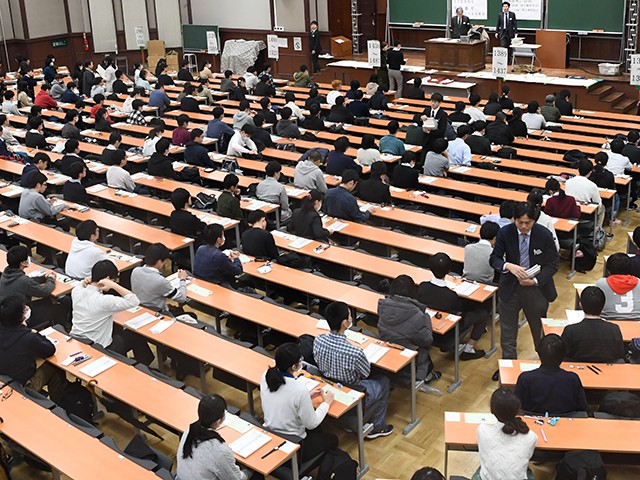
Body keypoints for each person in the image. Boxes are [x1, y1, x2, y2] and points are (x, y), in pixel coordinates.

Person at [489, 202, 559, 360]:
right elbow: (494, 259)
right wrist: (508, 266)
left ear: (534, 220)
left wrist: (535, 281)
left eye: (528, 223)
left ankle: (544, 363)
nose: (524, 226)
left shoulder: (544, 234)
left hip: (535, 289)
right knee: (507, 334)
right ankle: (509, 366)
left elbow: (553, 264)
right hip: (510, 287)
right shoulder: (505, 232)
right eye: (520, 222)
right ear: (513, 219)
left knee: (539, 331)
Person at [314, 301, 394, 439]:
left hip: (330, 385)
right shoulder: (355, 352)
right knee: (384, 381)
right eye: (350, 315)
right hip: (353, 389)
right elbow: (365, 373)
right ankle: (378, 426)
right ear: (345, 323)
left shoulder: (318, 340)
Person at [261, 342, 337, 460]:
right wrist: (326, 403)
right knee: (333, 439)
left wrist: (307, 397)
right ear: (294, 366)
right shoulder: (299, 389)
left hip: (270, 432)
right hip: (293, 442)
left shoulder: (266, 375)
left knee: (319, 431)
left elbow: (284, 398)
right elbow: (311, 424)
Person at [70, 260, 154, 364]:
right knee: (135, 335)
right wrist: (113, 285)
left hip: (78, 341)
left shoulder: (76, 291)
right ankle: (141, 365)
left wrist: (90, 279)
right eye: (114, 280)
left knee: (116, 327)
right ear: (108, 279)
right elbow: (134, 301)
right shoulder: (104, 301)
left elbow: (82, 283)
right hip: (100, 349)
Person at [418, 253, 488, 360]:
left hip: (428, 326)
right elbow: (461, 309)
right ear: (449, 270)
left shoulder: (423, 286)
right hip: (448, 332)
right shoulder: (450, 295)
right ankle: (469, 349)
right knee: (482, 314)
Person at [378, 275, 439, 393]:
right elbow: (427, 340)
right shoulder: (418, 314)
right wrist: (426, 318)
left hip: (387, 346)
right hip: (409, 354)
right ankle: (421, 378)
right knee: (424, 352)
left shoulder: (382, 304)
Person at [0, 296, 66, 403]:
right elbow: (50, 350)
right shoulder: (28, 337)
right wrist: (34, 333)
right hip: (21, 386)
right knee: (54, 368)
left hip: (4, 381)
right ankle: (57, 405)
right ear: (20, 316)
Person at [177, 394, 259, 480]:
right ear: (218, 422)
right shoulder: (218, 450)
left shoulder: (189, 431)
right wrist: (249, 470)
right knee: (257, 475)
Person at [514, 334, 589, 415]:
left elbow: (516, 409)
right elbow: (583, 410)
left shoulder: (525, 378)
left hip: (532, 422)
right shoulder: (573, 379)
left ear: (539, 354)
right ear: (564, 356)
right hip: (567, 422)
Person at [474, 388, 537, 480]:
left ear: (492, 410)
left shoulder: (482, 430)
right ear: (517, 410)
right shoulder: (531, 437)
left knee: (482, 468)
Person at [562, 286, 625, 363]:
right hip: (607, 370)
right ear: (603, 306)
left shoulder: (570, 331)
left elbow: (562, 356)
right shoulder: (614, 329)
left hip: (577, 369)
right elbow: (620, 355)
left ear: (581, 305)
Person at [0, 246, 58, 329]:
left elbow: (27, 281)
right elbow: (44, 291)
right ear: (22, 263)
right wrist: (51, 279)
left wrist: (43, 278)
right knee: (55, 306)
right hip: (21, 317)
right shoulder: (23, 281)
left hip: (8, 314)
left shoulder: (5, 274)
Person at [131, 243, 188, 313]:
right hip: (158, 313)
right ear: (159, 261)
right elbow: (182, 299)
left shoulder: (135, 271)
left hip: (141, 309)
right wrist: (182, 279)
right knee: (191, 315)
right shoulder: (160, 281)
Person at [596, 253, 640, 320]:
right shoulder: (639, 282)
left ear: (608, 270)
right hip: (636, 320)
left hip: (608, 320)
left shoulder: (601, 283)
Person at [565, 159, 604, 229]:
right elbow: (598, 203)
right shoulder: (592, 185)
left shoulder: (568, 182)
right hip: (585, 214)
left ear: (578, 169)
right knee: (602, 208)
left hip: (569, 210)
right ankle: (598, 230)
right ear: (590, 172)